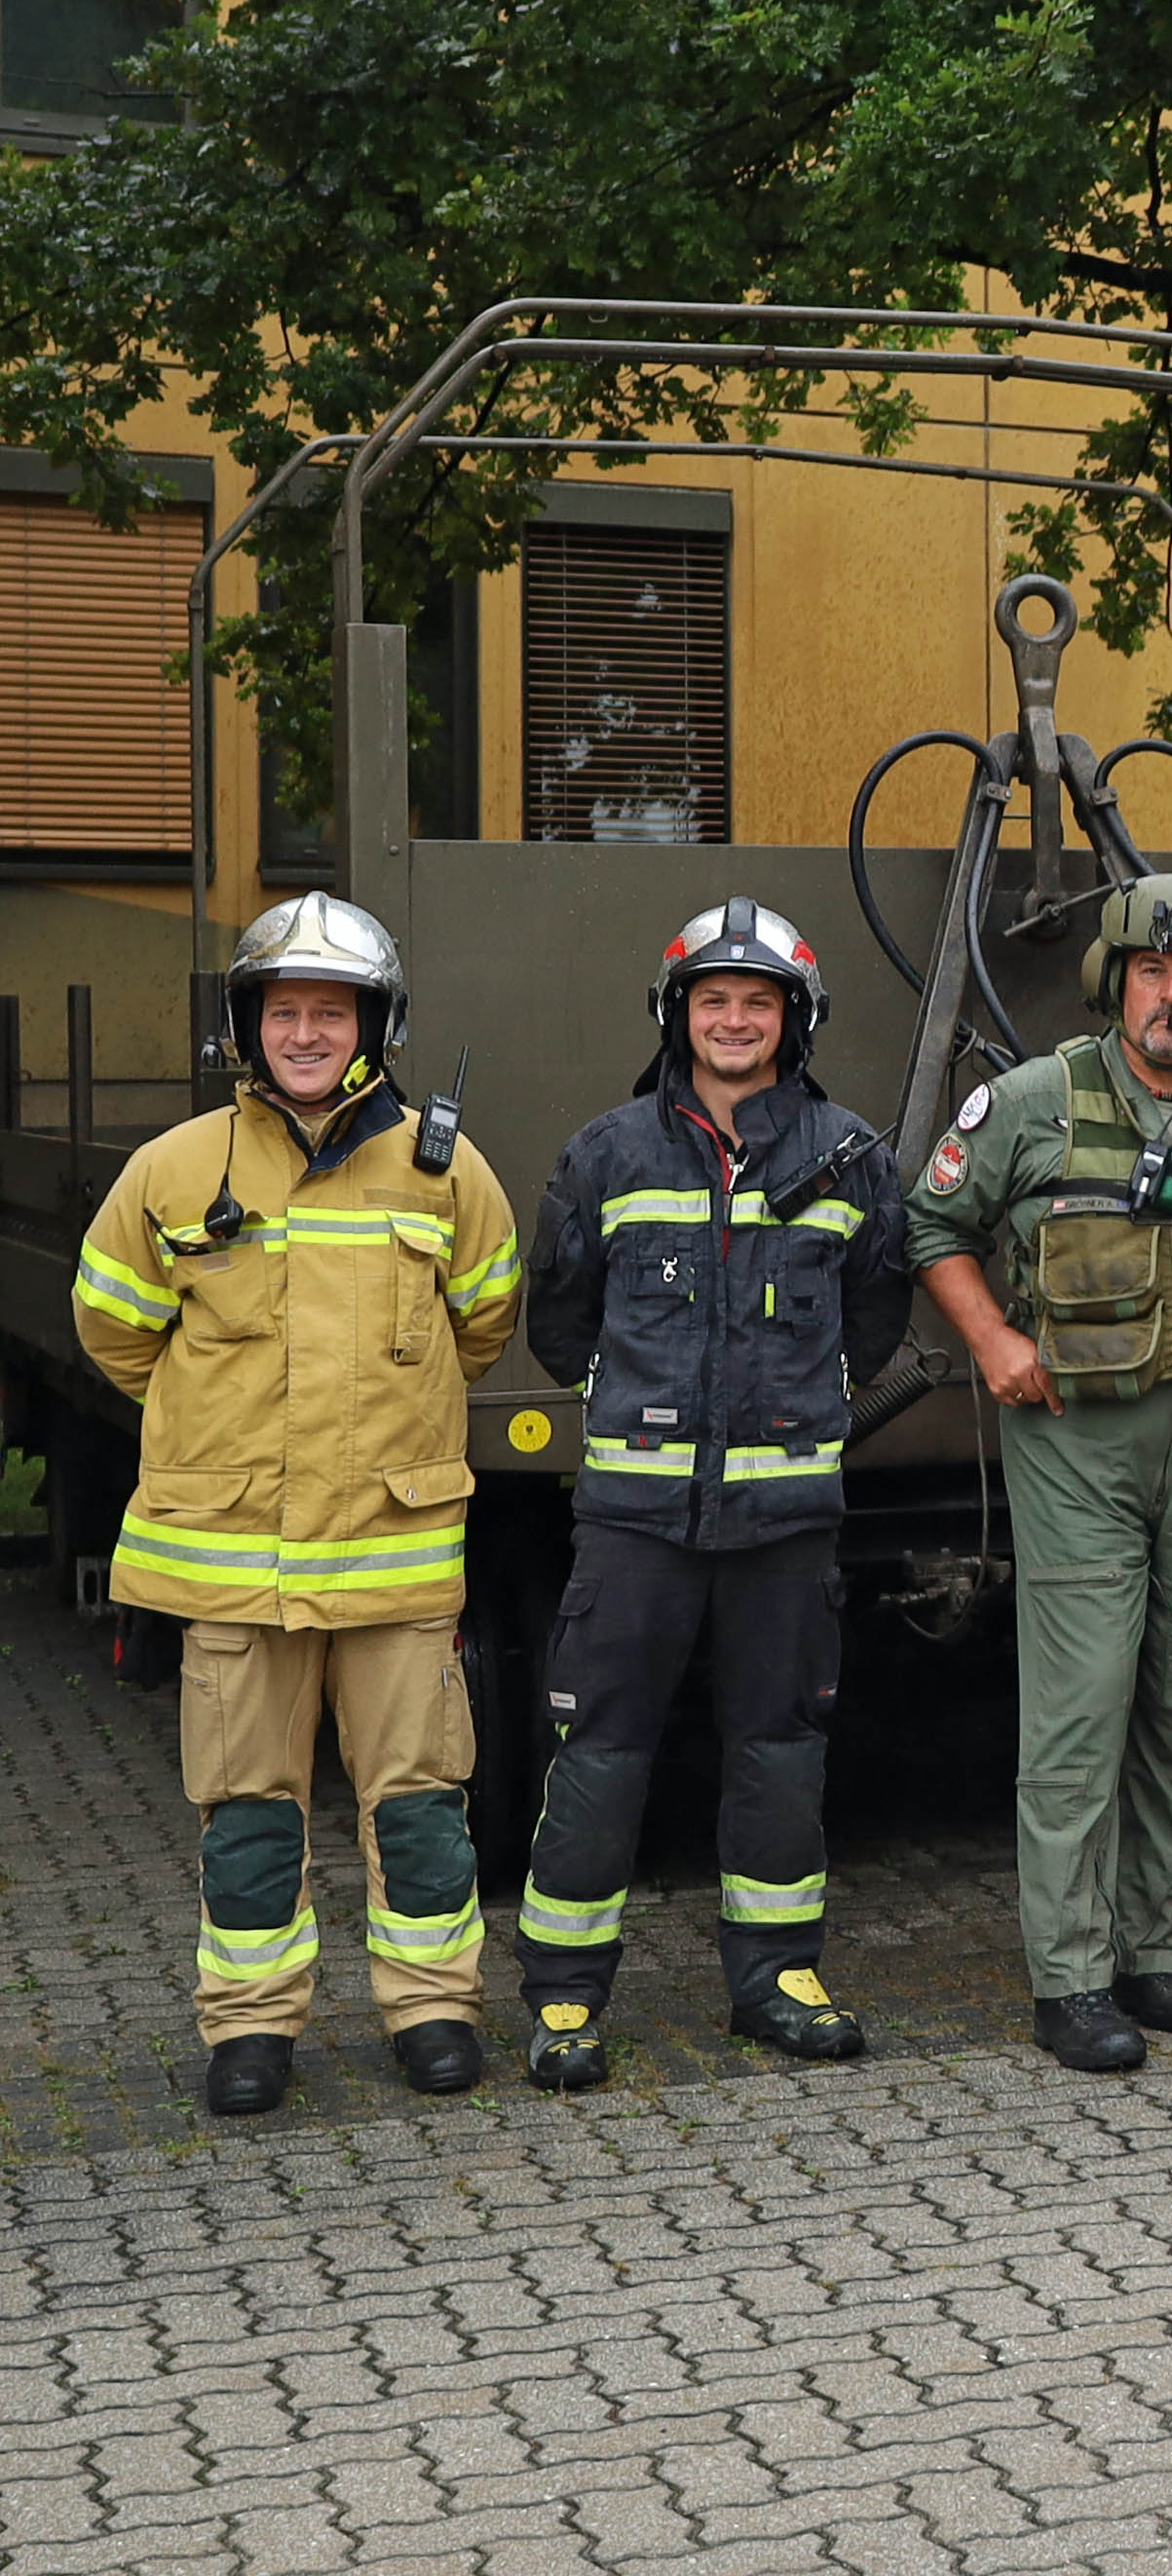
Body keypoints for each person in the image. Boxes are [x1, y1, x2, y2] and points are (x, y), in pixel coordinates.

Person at [71, 891, 522, 2115]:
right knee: (248, 1815)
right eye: (285, 1012)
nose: (307, 1033)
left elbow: (483, 1322)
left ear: (376, 1024)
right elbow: (114, 1328)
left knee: (419, 1807)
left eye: (332, 1011)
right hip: (237, 1563)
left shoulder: (445, 1167)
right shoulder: (174, 1169)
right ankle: (251, 2026)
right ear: (247, 1025)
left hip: (393, 1559)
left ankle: (434, 2007)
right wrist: (219, 1422)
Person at [905, 872, 1172, 2074]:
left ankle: (1164, 1950)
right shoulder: (1035, 1099)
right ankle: (1073, 1975)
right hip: (1075, 1441)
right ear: (1113, 982)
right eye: (1153, 972)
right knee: (1082, 1706)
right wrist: (993, 1338)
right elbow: (932, 1224)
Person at [513, 900, 912, 2086]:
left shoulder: (850, 1156)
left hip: (785, 1527)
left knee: (780, 1752)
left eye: (759, 1001)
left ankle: (776, 1979)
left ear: (796, 1019)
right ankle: (565, 1996)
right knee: (599, 1754)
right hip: (634, 1526)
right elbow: (559, 1321)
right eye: (713, 999)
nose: (735, 1019)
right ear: (676, 1013)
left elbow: (875, 1318)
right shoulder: (607, 1153)